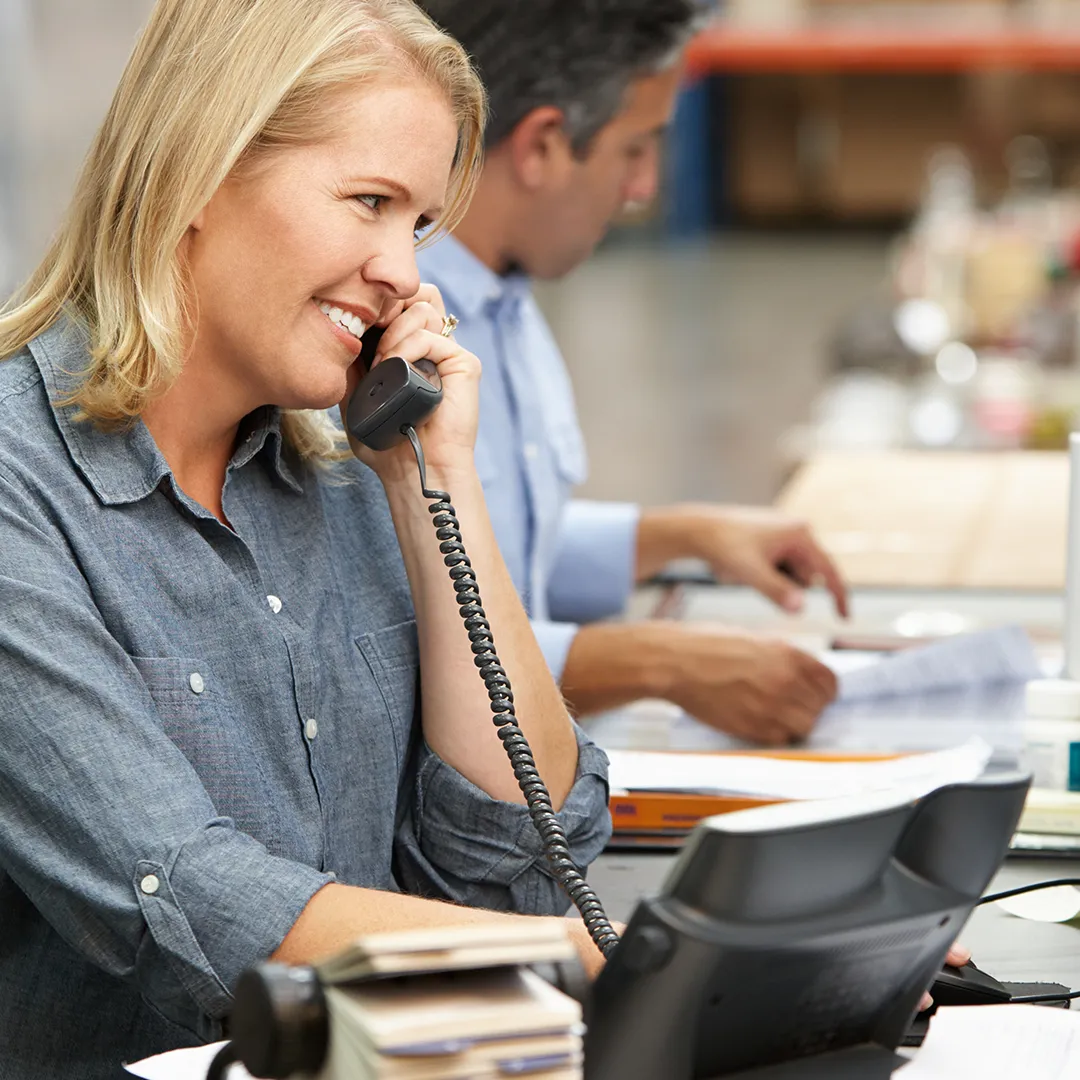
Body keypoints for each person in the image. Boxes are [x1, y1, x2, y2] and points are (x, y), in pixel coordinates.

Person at [0, 2, 613, 1076]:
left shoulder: (340, 474)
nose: (405, 275)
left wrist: (438, 487)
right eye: (369, 202)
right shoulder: (20, 487)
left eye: (416, 225)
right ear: (200, 170)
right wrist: (611, 962)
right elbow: (187, 897)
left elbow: (515, 860)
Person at [414, 0, 847, 746]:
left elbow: (497, 549)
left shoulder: (504, 303)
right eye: (636, 148)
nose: (644, 186)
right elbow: (401, 647)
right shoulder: (398, 338)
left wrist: (684, 536)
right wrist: (658, 662)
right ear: (544, 144)